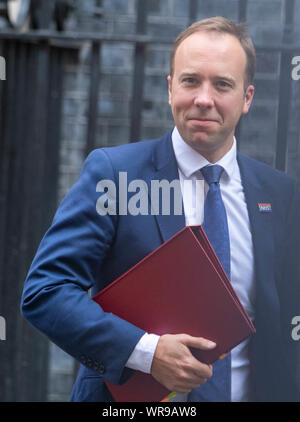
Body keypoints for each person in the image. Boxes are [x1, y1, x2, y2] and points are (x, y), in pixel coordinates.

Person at [21, 16, 300, 402]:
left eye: (222, 84)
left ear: (247, 98)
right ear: (170, 89)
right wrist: (146, 353)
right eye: (190, 81)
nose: (204, 98)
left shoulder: (279, 194)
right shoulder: (115, 175)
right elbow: (45, 291)